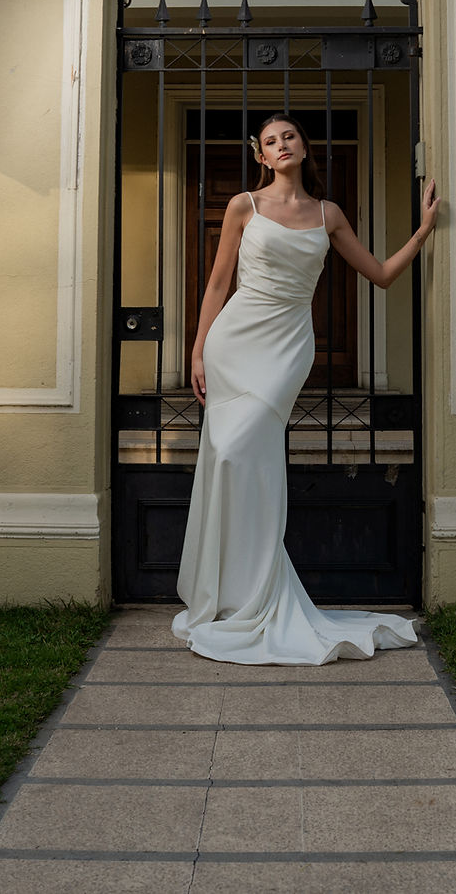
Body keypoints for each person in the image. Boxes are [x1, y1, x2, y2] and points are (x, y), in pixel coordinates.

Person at [172, 112, 440, 665]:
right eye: (270, 141)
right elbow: (219, 282)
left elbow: (382, 274)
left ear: (303, 145)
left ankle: (258, 591)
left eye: (288, 136)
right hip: (235, 339)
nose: (281, 145)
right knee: (226, 455)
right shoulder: (242, 206)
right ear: (261, 156)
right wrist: (198, 349)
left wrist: (422, 231)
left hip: (288, 345)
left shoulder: (329, 214)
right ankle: (227, 594)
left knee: (253, 454)